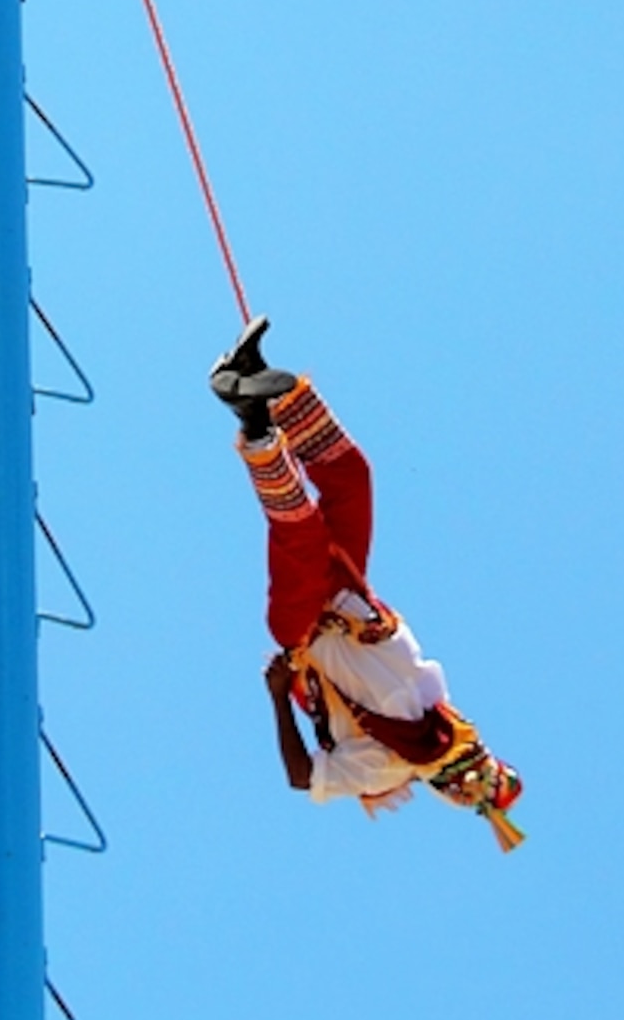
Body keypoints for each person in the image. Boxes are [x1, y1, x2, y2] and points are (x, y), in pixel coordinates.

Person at [211, 319, 527, 851]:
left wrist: (277, 699)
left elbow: (301, 777)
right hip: (348, 589)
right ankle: (260, 382)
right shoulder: (434, 698)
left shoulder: (386, 768)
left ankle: (252, 419)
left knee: (302, 530)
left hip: (306, 628)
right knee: (352, 479)